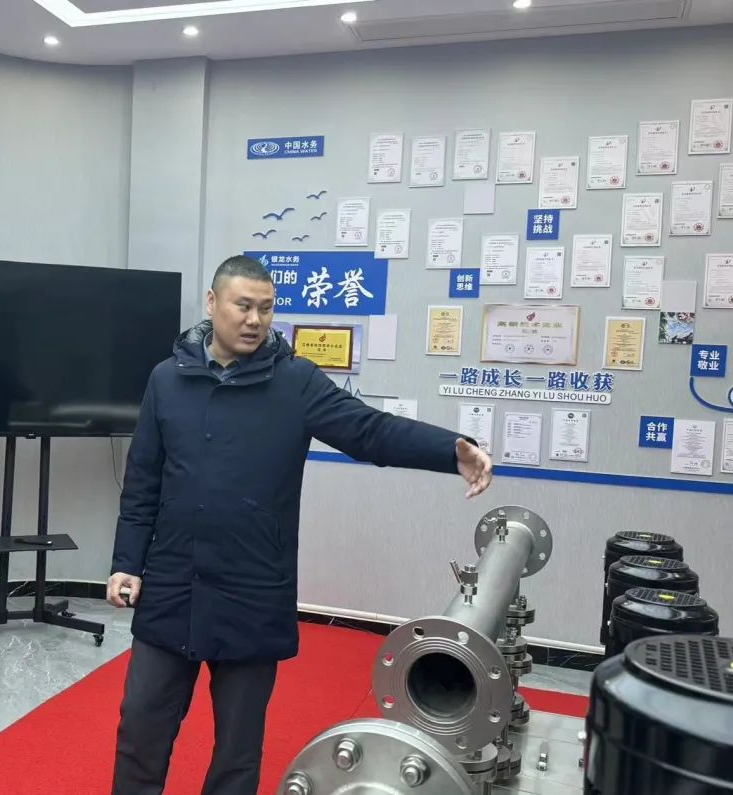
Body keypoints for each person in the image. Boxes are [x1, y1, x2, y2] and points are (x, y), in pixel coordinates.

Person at [107, 255, 493, 795]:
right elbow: (143, 479)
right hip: (172, 585)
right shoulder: (167, 380)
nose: (254, 320)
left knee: (238, 751)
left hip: (252, 590)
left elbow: (370, 431)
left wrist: (450, 450)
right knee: (140, 732)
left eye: (266, 309)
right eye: (243, 306)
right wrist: (127, 562)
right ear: (212, 304)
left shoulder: (295, 382)